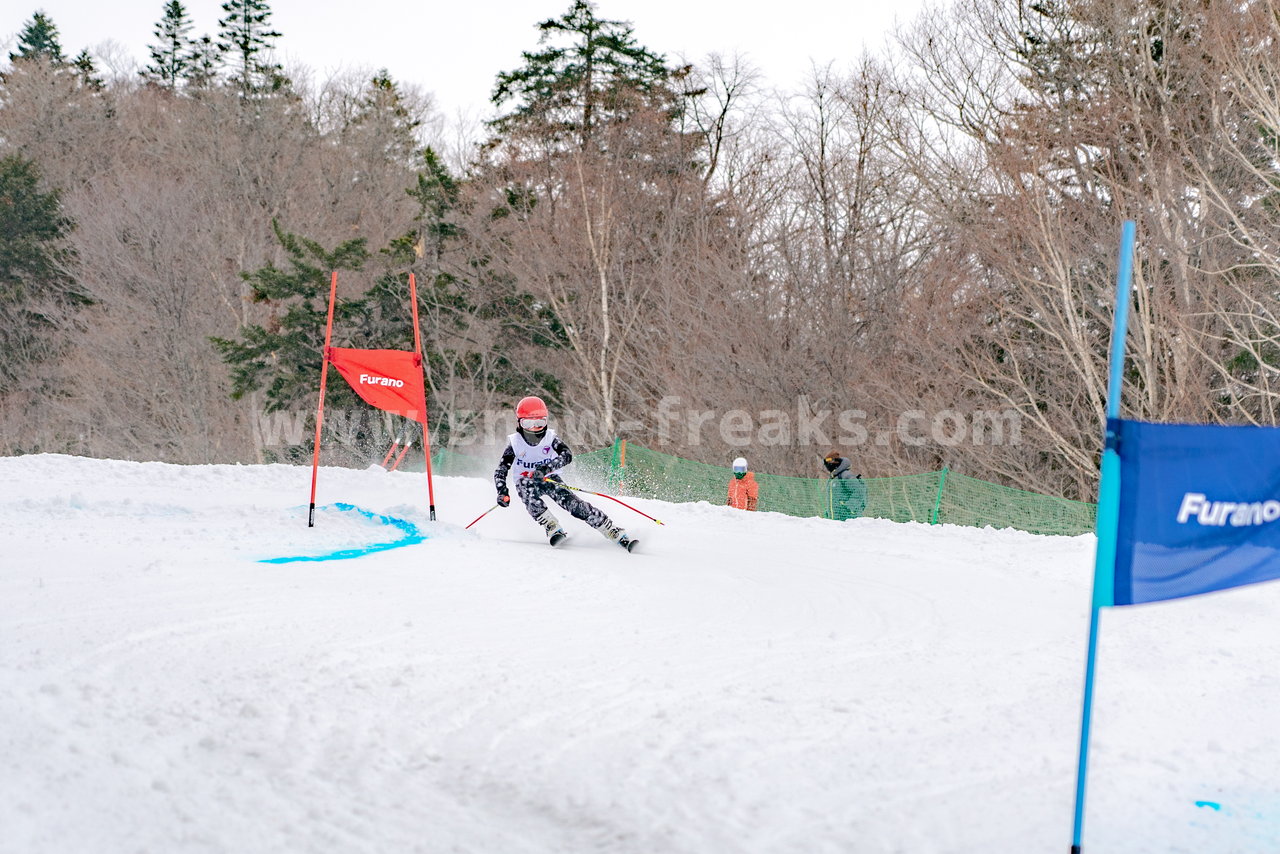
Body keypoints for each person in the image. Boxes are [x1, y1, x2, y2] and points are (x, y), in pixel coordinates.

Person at [493, 396, 636, 551]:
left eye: (539, 423)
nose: (534, 428)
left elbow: (566, 455)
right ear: (519, 423)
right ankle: (551, 525)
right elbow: (501, 470)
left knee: (574, 506)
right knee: (528, 495)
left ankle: (610, 529)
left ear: (546, 421)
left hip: (548, 479)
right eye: (528, 423)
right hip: (525, 481)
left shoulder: (550, 438)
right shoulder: (515, 443)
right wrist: (502, 492)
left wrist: (546, 469)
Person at [822, 449, 867, 521]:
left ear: (835, 461)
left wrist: (849, 507)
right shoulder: (833, 478)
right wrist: (828, 512)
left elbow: (858, 491)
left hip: (847, 519)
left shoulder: (845, 475)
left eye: (828, 461)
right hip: (834, 520)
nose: (827, 465)